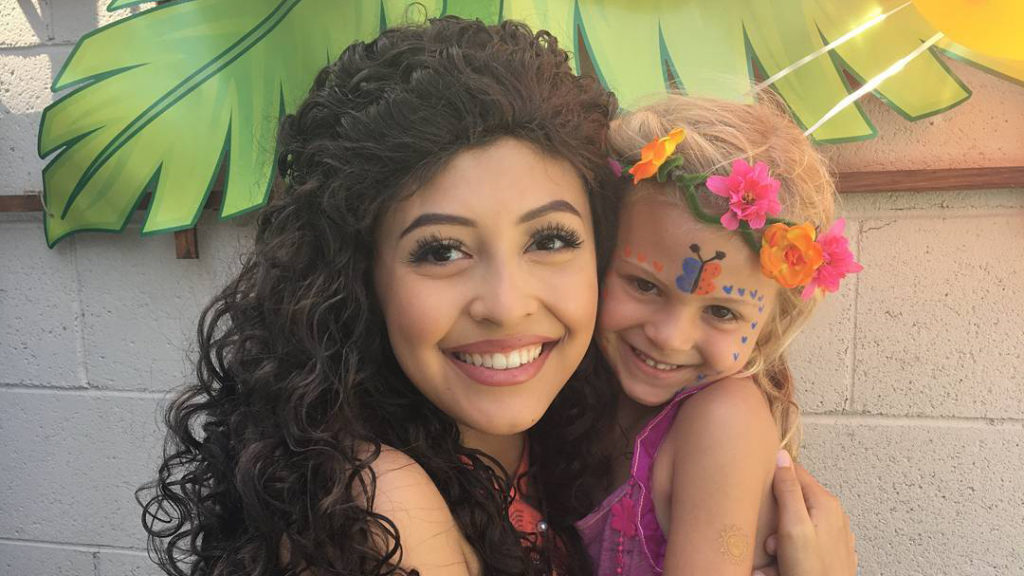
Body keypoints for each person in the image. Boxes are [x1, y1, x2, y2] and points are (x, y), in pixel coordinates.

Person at [138, 17, 856, 576]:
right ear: (356, 278)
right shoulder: (382, 500)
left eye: (550, 239)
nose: (507, 304)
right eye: (441, 250)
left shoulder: (579, 436)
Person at [575, 95, 861, 576]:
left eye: (722, 311)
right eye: (644, 285)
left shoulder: (723, 420)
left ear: (770, 325)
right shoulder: (597, 404)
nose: (670, 336)